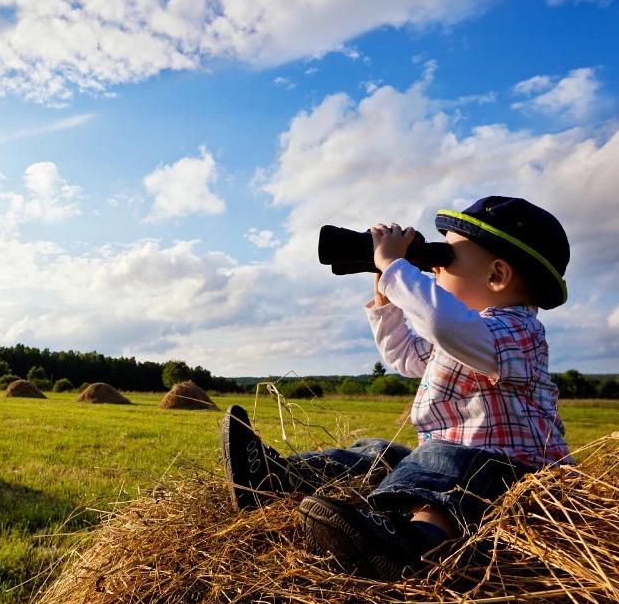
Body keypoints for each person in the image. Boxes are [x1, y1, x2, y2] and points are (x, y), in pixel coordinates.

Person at [221, 196, 572, 580]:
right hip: (455, 462)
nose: (435, 270)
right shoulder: (469, 335)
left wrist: (395, 266)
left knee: (444, 467)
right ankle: (274, 478)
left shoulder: (518, 333)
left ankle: (412, 544)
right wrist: (387, 301)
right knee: (377, 453)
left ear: (497, 276)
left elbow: (442, 322)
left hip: (514, 476)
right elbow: (405, 357)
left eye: (446, 260)